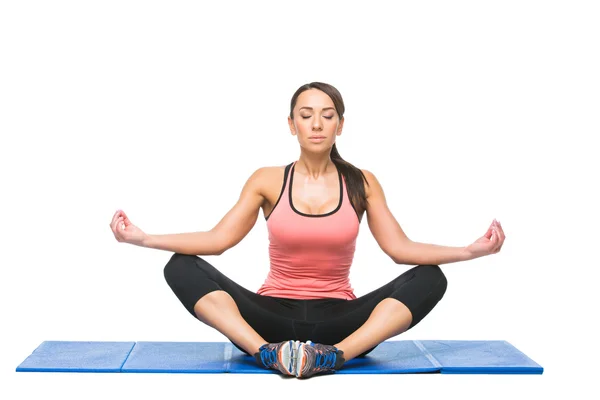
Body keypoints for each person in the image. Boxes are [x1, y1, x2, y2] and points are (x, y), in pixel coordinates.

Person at [109, 81, 506, 379]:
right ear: (291, 124)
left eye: (327, 114)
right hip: (268, 316)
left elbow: (400, 249)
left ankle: (332, 358)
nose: (317, 123)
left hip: (340, 322)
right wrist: (143, 239)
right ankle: (267, 353)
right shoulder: (267, 180)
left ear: (340, 125)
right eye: (306, 114)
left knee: (430, 279)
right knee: (180, 267)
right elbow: (218, 241)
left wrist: (470, 251)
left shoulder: (362, 183)